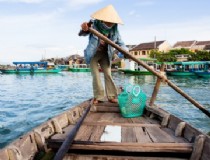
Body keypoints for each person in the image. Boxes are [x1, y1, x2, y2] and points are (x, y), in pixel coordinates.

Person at [79, 5, 127, 104]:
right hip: (93, 54)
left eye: (112, 22)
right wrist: (84, 28)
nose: (110, 24)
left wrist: (126, 51)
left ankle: (111, 96)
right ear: (102, 19)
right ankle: (98, 97)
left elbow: (121, 44)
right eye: (108, 21)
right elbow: (82, 33)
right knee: (96, 76)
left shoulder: (115, 31)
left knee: (108, 74)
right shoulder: (94, 24)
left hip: (106, 54)